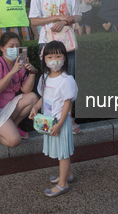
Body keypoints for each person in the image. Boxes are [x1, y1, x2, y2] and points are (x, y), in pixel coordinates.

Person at [30, 41, 78, 197]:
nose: (54, 60)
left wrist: (61, 124)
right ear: (44, 59)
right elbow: (43, 98)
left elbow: (67, 104)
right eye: (50, 57)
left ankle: (62, 184)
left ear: (65, 57)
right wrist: (35, 107)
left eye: (58, 56)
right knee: (61, 151)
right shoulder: (44, 78)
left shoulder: (66, 80)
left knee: (63, 153)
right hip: (48, 121)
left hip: (60, 123)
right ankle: (68, 175)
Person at [0, 32, 38, 146]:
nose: (15, 49)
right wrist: (13, 71)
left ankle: (12, 126)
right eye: (11, 46)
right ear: (2, 48)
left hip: (8, 107)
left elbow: (26, 91)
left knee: (32, 97)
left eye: (17, 46)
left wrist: (32, 73)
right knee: (14, 141)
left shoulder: (19, 65)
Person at [29, 0, 81, 77]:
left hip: (66, 40)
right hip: (46, 40)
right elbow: (34, 20)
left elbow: (78, 16)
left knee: (69, 76)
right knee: (49, 77)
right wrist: (57, 18)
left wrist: (64, 22)